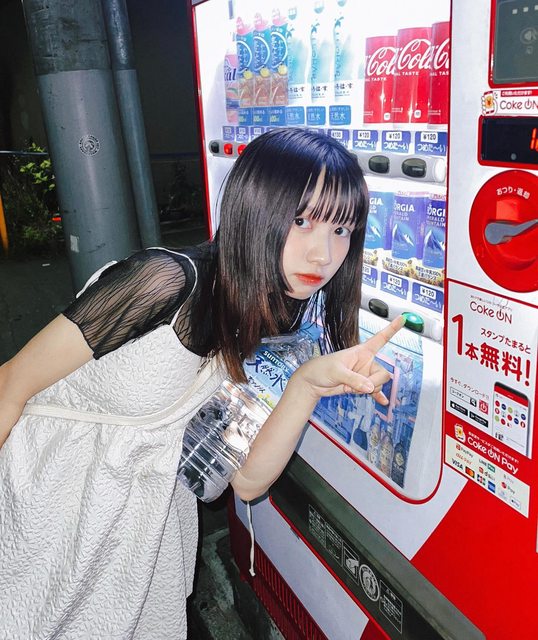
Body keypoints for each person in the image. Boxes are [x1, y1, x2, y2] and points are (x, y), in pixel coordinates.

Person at [0, 128, 403, 639]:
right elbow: (12, 382)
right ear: (255, 208)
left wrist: (306, 385)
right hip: (51, 494)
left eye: (341, 229)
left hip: (139, 527)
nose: (323, 254)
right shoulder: (164, 282)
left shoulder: (280, 318)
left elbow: (246, 482)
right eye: (301, 221)